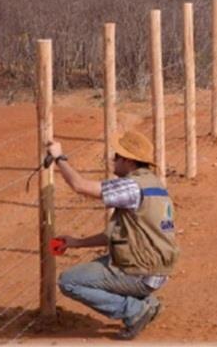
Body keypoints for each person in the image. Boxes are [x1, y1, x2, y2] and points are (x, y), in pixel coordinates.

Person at [47, 130, 179, 340]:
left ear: (128, 160)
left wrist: (59, 158)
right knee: (107, 264)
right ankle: (146, 303)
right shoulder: (154, 184)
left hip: (141, 271)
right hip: (155, 268)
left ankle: (135, 310)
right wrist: (76, 243)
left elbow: (80, 186)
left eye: (116, 156)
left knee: (69, 281)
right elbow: (114, 235)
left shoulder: (132, 186)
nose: (112, 160)